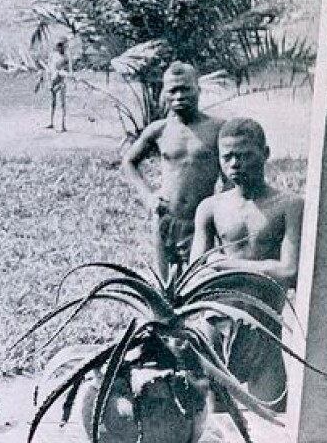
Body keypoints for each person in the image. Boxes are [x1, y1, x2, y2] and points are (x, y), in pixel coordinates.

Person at [190, 117, 303, 409]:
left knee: (273, 418)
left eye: (244, 155)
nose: (235, 164)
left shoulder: (289, 206)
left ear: (265, 153)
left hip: (264, 328)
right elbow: (196, 270)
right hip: (217, 322)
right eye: (227, 156)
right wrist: (263, 267)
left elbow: (289, 270)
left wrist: (225, 265)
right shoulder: (211, 208)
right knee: (217, 422)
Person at [122, 62, 225, 282]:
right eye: (172, 90)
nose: (179, 96)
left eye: (185, 88)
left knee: (202, 283)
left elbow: (230, 178)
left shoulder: (218, 129)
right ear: (164, 94)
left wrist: (221, 209)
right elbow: (129, 162)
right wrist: (148, 196)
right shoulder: (159, 130)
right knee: (167, 288)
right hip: (165, 218)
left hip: (201, 222)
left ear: (199, 89)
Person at [35, 36, 72, 132]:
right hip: (53, 80)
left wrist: (61, 74)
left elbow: (68, 71)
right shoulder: (54, 55)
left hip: (61, 81)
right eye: (59, 46)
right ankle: (51, 122)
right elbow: (51, 68)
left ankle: (63, 125)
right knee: (53, 103)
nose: (60, 48)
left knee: (62, 103)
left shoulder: (66, 58)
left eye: (62, 46)